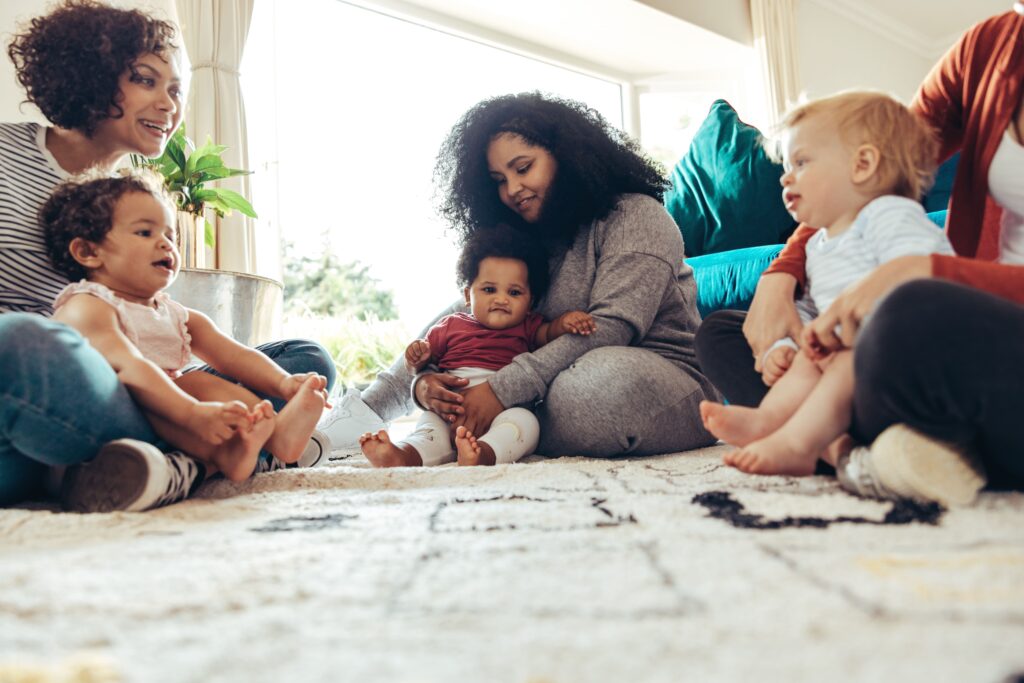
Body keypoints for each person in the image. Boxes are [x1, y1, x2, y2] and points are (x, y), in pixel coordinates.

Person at [0, 0, 336, 512]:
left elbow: (151, 328)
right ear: (88, 72)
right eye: (146, 80)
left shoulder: (135, 197)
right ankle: (212, 456)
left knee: (304, 360)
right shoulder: (6, 153)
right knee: (22, 340)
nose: (169, 104)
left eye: (175, 89)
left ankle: (178, 458)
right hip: (40, 377)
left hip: (128, 388)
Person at [694, 6, 1024, 506]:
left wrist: (925, 271)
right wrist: (781, 277)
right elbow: (876, 157)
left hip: (967, 322)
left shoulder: (894, 226)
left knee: (899, 318)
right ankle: (858, 448)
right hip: (948, 343)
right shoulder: (991, 48)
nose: (789, 175)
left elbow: (889, 221)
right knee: (723, 331)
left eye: (799, 163)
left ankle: (837, 443)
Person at [322, 92, 719, 457]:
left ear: (567, 155)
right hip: (548, 381)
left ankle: (478, 426)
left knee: (593, 391)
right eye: (498, 181)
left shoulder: (636, 215)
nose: (512, 189)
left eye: (523, 168)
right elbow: (469, 325)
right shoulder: (529, 240)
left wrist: (498, 389)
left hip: (662, 377)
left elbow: (613, 327)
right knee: (467, 311)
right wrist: (425, 383)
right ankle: (358, 417)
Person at [698, 91, 963, 479]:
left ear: (863, 164)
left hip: (909, 360)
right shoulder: (820, 243)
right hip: (848, 357)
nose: (786, 176)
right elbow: (809, 311)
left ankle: (799, 445)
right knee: (808, 357)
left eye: (801, 162)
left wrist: (853, 328)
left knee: (840, 357)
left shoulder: (889, 214)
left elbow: (925, 274)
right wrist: (784, 347)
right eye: (787, 165)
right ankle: (771, 421)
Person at [43, 169, 329, 481]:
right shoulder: (88, 304)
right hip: (106, 422)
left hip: (168, 420)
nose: (166, 244)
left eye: (170, 235)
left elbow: (234, 355)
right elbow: (130, 368)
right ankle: (237, 454)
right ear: (89, 252)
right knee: (179, 385)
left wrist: (285, 384)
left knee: (199, 382)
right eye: (145, 233)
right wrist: (192, 413)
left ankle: (268, 440)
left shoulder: (175, 314)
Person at [360, 225, 595, 467]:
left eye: (514, 292)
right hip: (449, 408)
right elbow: (424, 364)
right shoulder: (451, 324)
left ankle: (482, 453)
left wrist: (565, 323)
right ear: (468, 296)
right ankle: (404, 455)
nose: (501, 299)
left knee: (525, 423)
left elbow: (548, 334)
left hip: (504, 409)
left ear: (529, 302)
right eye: (489, 289)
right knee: (429, 429)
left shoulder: (528, 326)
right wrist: (416, 357)